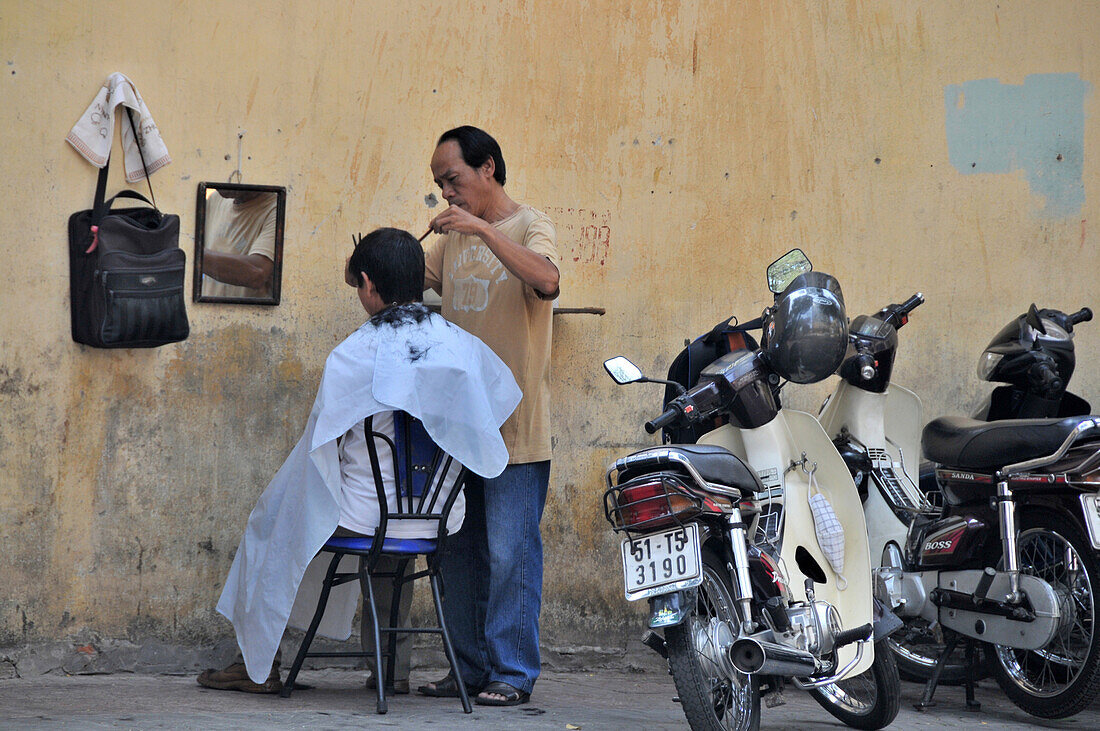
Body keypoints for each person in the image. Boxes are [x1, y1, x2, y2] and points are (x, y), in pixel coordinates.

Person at [197, 227, 521, 694]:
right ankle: (393, 671)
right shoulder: (464, 349)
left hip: (364, 517)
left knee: (272, 522)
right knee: (389, 537)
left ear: (369, 284)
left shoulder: (353, 355)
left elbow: (321, 443)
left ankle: (259, 664)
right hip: (437, 518)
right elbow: (497, 403)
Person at [417, 126, 560, 707]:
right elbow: (408, 281)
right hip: (456, 428)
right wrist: (373, 263)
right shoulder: (447, 241)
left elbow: (547, 279)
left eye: (453, 180)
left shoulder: (530, 226)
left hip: (515, 433)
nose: (446, 194)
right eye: (439, 184)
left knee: (510, 554)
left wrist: (479, 228)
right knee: (456, 551)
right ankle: (466, 667)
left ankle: (513, 672)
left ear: (489, 169)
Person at [200, 189, 277, 298]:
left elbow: (257, 273)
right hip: (207, 311)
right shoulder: (216, 198)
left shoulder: (276, 208)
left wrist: (192, 254)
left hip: (248, 313)